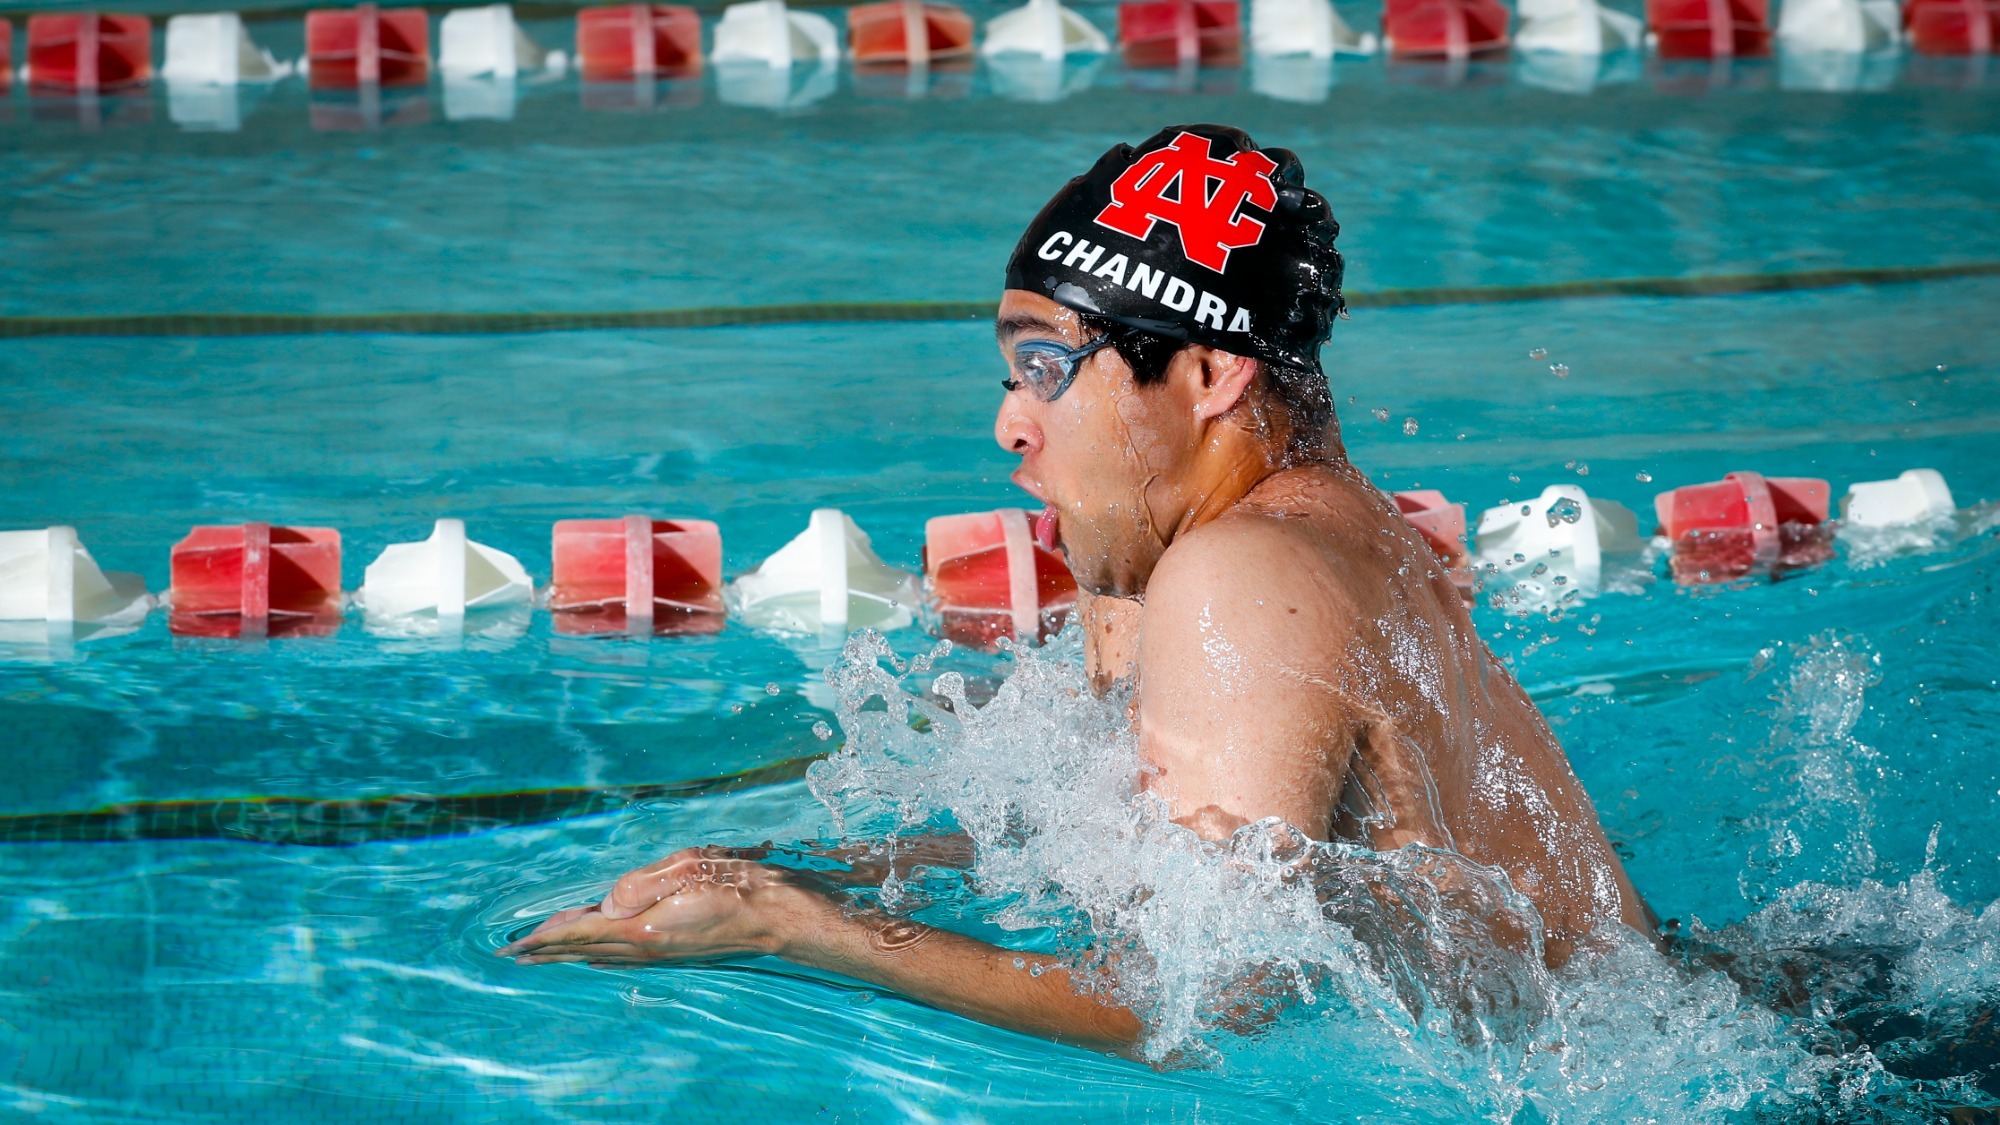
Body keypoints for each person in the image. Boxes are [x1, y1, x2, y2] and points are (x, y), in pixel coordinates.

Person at [498, 124, 1657, 1052]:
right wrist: (782, 868)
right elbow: (1116, 849)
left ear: (1207, 375)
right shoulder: (1300, 536)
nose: (1009, 422)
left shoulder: (1238, 570)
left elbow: (1198, 997)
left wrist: (798, 928)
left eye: (1045, 368)